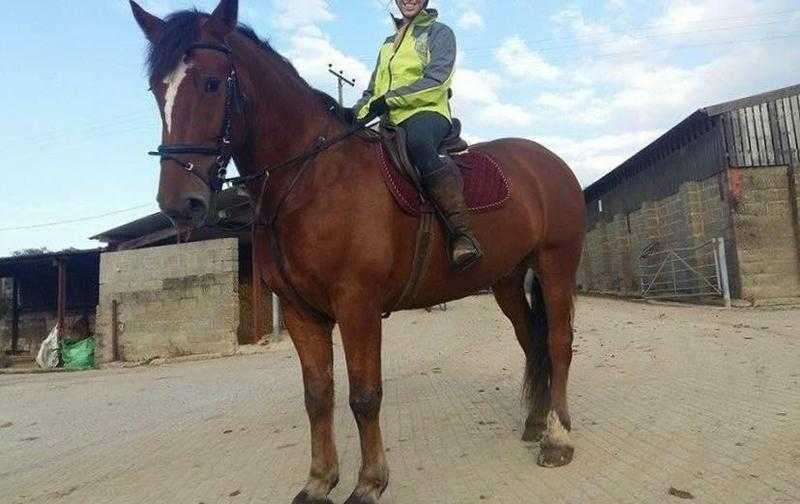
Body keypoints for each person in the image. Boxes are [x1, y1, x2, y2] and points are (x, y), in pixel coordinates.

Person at [351, 0, 483, 271]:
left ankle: (462, 234)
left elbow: (437, 80)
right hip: (391, 117)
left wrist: (388, 100)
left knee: (419, 145)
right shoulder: (387, 43)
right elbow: (372, 90)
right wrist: (352, 115)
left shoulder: (439, 32)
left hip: (428, 111)